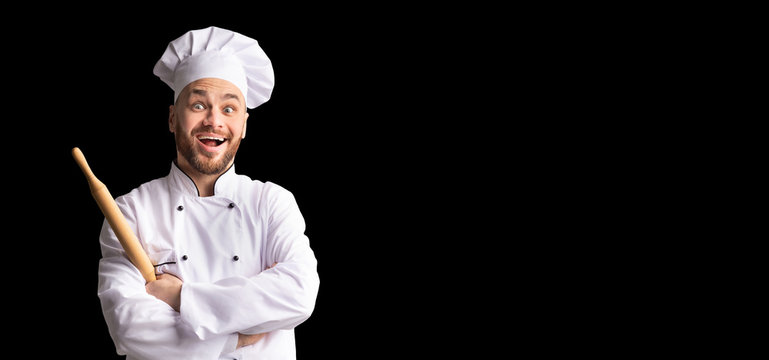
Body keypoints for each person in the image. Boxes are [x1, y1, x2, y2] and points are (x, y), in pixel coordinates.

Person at [97, 26, 320, 359]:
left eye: (229, 109)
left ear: (243, 126)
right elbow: (130, 326)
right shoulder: (131, 211)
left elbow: (298, 294)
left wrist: (182, 298)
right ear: (173, 118)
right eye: (198, 105)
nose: (214, 121)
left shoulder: (272, 202)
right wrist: (232, 339)